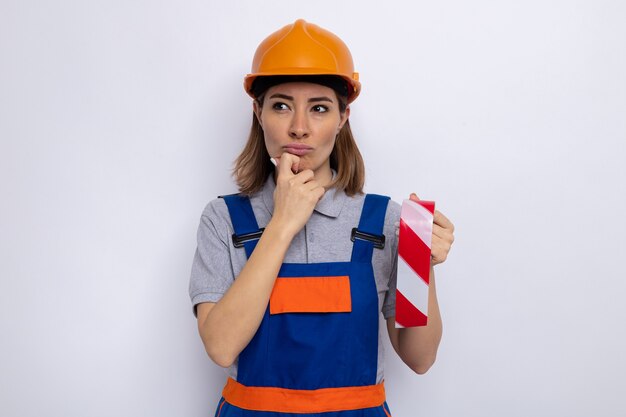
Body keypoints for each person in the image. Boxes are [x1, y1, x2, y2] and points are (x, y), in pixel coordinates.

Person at [189, 19, 455, 417]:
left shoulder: (385, 221)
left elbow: (420, 358)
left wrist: (423, 264)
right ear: (258, 112)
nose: (299, 128)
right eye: (281, 105)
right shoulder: (223, 219)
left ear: (343, 117)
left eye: (319, 108)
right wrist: (282, 223)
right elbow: (221, 346)